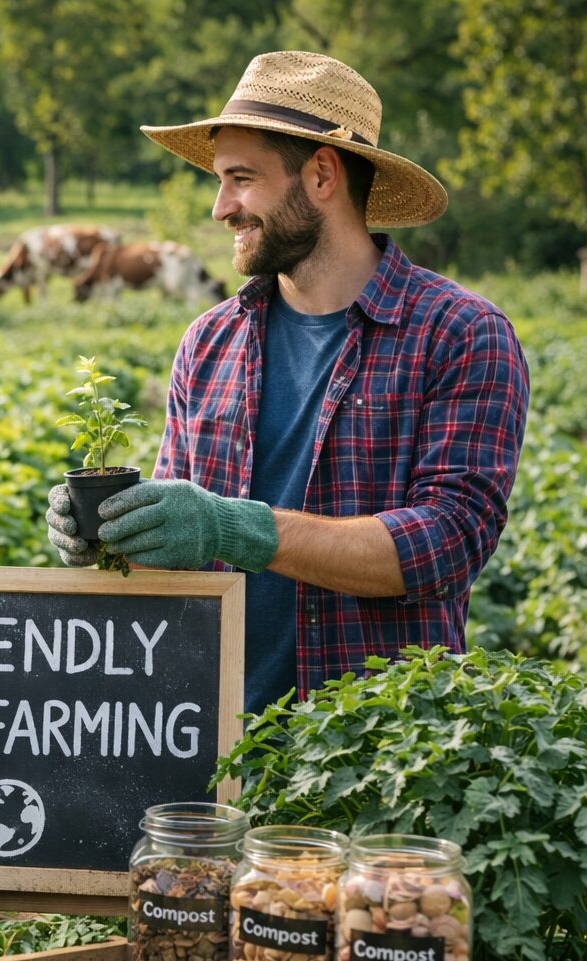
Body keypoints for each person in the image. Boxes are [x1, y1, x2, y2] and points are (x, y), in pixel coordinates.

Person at [45, 51, 529, 719]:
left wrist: (233, 528)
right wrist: (109, 537)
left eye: (241, 179)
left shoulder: (458, 334)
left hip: (369, 753)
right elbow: (176, 559)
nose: (221, 208)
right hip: (210, 742)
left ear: (322, 174)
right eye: (220, 181)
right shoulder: (209, 342)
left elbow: (446, 545)